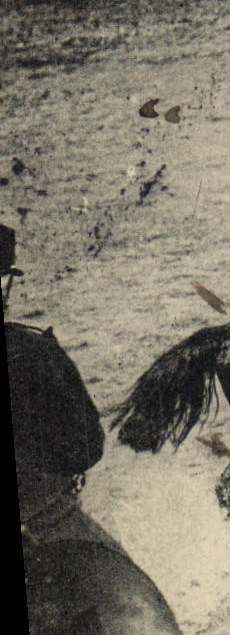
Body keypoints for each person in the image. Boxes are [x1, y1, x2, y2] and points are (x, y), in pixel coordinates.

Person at [6, 224, 124, 552]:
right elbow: (86, 447)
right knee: (116, 567)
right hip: (42, 516)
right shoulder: (34, 351)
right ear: (5, 283)